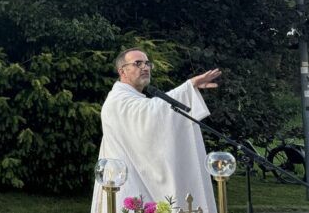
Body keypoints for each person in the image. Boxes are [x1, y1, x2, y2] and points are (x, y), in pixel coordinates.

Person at [90, 48, 222, 213]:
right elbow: (152, 113)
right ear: (122, 71)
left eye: (147, 63)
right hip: (126, 182)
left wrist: (188, 89)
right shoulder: (118, 100)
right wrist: (189, 87)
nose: (145, 67)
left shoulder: (130, 99)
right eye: (138, 63)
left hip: (135, 179)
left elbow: (151, 112)